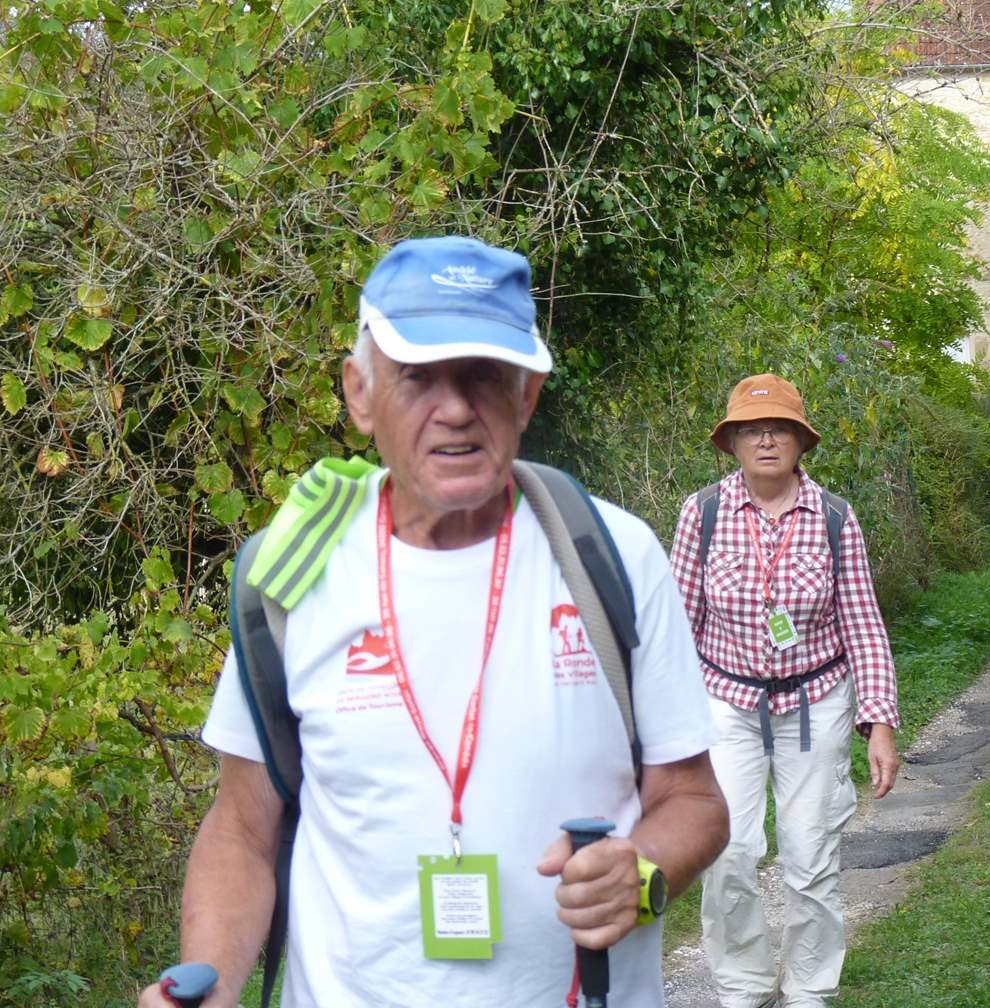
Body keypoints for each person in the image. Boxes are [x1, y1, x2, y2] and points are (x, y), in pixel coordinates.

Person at [138, 236, 728, 1008]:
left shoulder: (610, 554)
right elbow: (243, 828)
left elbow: (694, 801)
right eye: (417, 377)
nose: (455, 409)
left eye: (483, 375)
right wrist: (210, 983)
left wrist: (639, 876)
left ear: (526, 396)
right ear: (359, 394)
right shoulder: (292, 572)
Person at [669, 374, 901, 1008]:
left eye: (778, 429)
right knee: (729, 851)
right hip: (726, 700)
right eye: (751, 429)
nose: (766, 439)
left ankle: (808, 988)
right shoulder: (702, 513)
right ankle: (742, 985)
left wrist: (879, 722)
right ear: (732, 443)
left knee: (810, 855)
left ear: (801, 441)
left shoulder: (833, 516)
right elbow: (677, 625)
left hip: (815, 701)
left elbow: (862, 622)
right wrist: (662, 728)